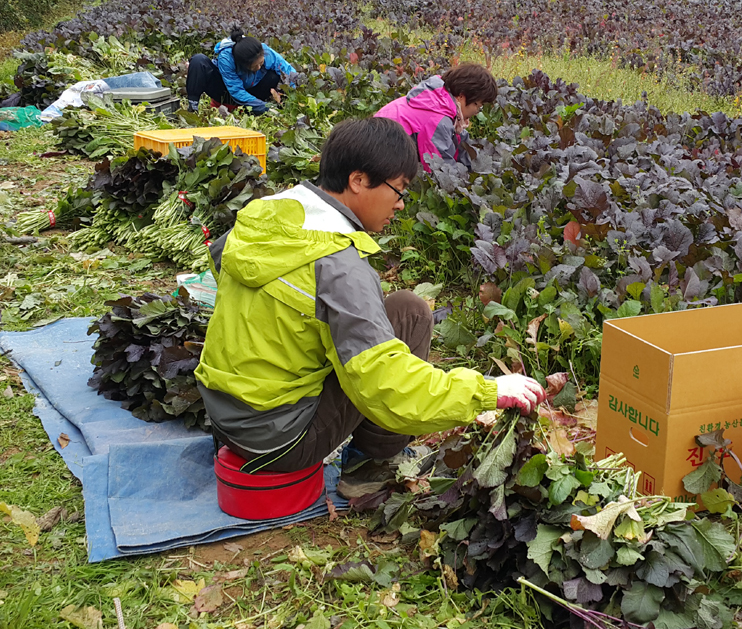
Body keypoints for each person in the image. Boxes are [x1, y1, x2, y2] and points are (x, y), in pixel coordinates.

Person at [194, 117, 545, 497]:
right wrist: (488, 391)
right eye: (398, 190)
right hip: (279, 442)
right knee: (411, 316)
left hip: (222, 412)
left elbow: (220, 262)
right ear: (358, 180)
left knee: (402, 309)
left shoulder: (270, 214)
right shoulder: (339, 265)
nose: (400, 204)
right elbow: (385, 383)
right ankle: (370, 467)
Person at [374, 63, 498, 172]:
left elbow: (460, 145)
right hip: (378, 160)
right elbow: (439, 168)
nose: (476, 112)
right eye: (477, 105)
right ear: (461, 96)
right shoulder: (438, 120)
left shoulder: (438, 99)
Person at [186, 26, 298, 115]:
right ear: (243, 64)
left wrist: (293, 94)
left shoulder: (264, 51)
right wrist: (267, 108)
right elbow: (237, 92)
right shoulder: (227, 58)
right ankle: (193, 107)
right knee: (198, 60)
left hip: (252, 90)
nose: (259, 68)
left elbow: (288, 71)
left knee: (274, 75)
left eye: (261, 63)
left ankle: (254, 109)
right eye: (255, 66)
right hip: (226, 92)